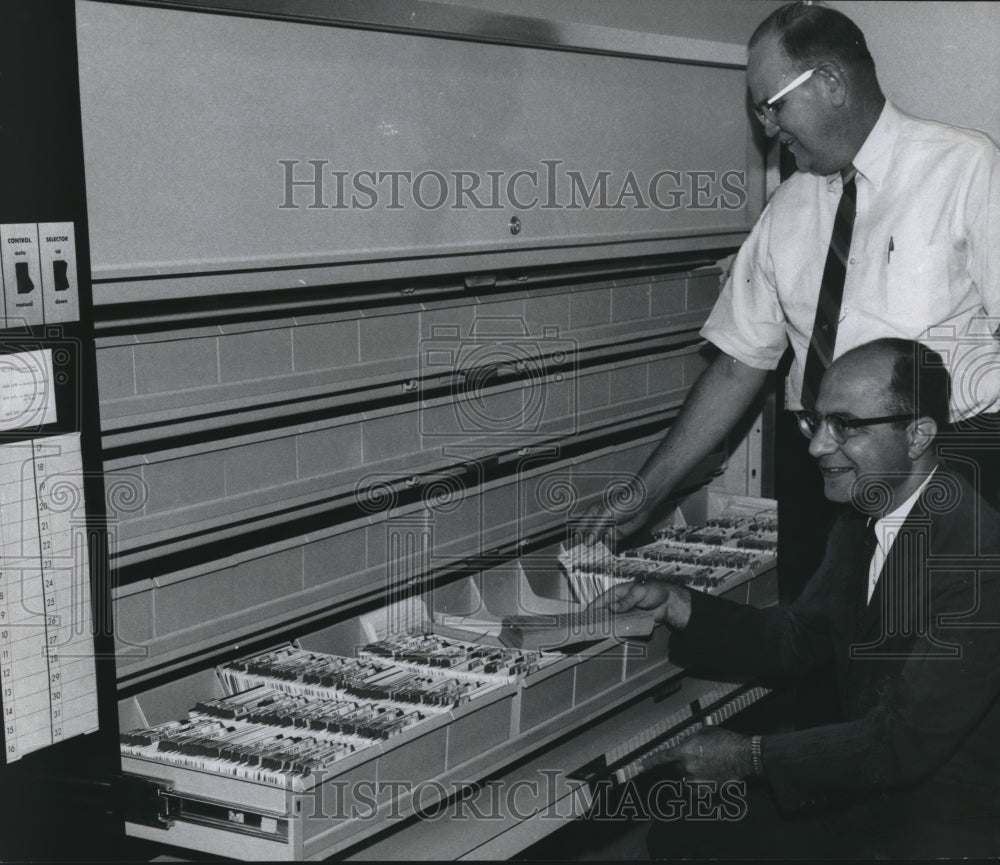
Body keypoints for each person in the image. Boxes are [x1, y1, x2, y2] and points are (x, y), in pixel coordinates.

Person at [592, 1, 1000, 601]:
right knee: (814, 662)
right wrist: (645, 493)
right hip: (823, 477)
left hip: (944, 472)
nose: (765, 128)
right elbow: (737, 365)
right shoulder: (788, 208)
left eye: (772, 104)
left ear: (831, 82)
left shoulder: (967, 168)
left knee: (923, 678)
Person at [602, 338, 1000, 859]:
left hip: (945, 826)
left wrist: (749, 756)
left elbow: (901, 743)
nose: (816, 447)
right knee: (684, 833)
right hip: (873, 799)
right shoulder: (860, 518)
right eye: (815, 422)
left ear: (917, 434)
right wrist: (679, 604)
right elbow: (798, 638)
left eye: (847, 426)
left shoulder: (978, 559)